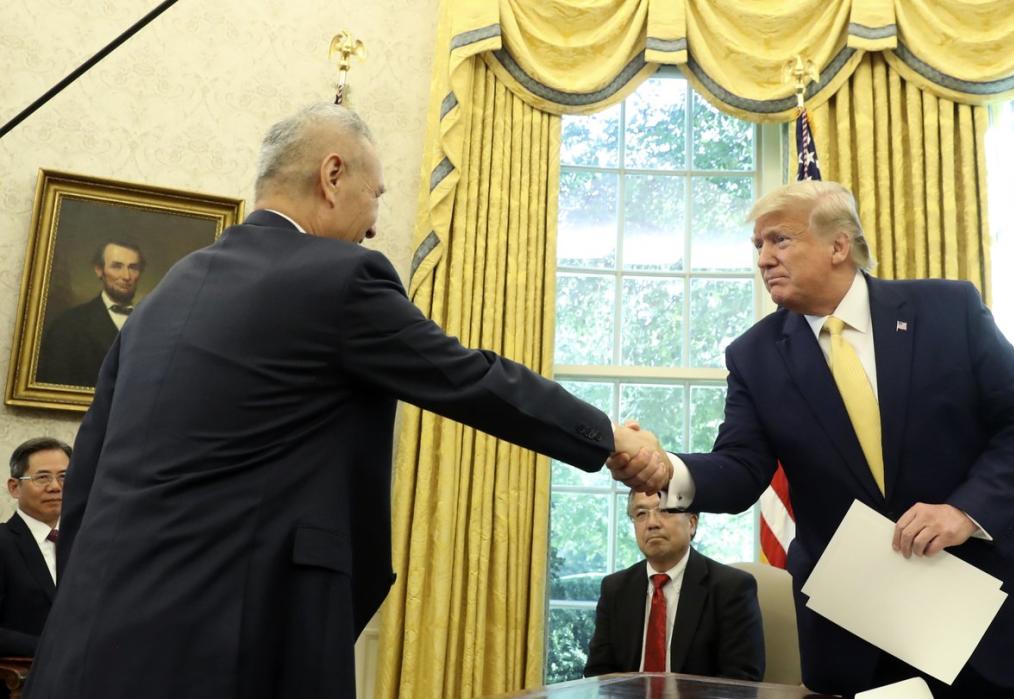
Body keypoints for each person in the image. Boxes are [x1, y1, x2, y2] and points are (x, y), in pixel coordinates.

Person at [24, 104, 663, 699]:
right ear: (333, 175)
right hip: (231, 645)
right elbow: (469, 379)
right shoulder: (337, 276)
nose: (376, 220)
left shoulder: (165, 295)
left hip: (87, 644)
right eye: (376, 194)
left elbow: (87, 477)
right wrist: (608, 437)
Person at [610, 180, 1014, 697]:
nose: (764, 259)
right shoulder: (754, 355)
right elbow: (741, 469)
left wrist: (963, 512)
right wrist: (667, 469)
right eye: (757, 247)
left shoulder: (948, 309)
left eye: (779, 240)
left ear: (839, 245)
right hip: (864, 639)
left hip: (995, 624)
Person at [584, 490, 764, 681]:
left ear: (692, 523)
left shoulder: (732, 589)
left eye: (665, 511)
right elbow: (598, 674)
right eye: (641, 514)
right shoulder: (615, 588)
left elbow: (740, 682)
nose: (652, 523)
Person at [38, 240, 146, 387]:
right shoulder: (68, 325)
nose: (126, 276)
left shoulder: (153, 324)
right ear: (99, 270)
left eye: (133, 268)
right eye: (117, 266)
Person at [0, 438, 70, 659]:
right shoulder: (3, 542)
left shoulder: (87, 543)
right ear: (14, 487)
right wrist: (54, 650)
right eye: (42, 478)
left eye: (64, 477)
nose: (55, 487)